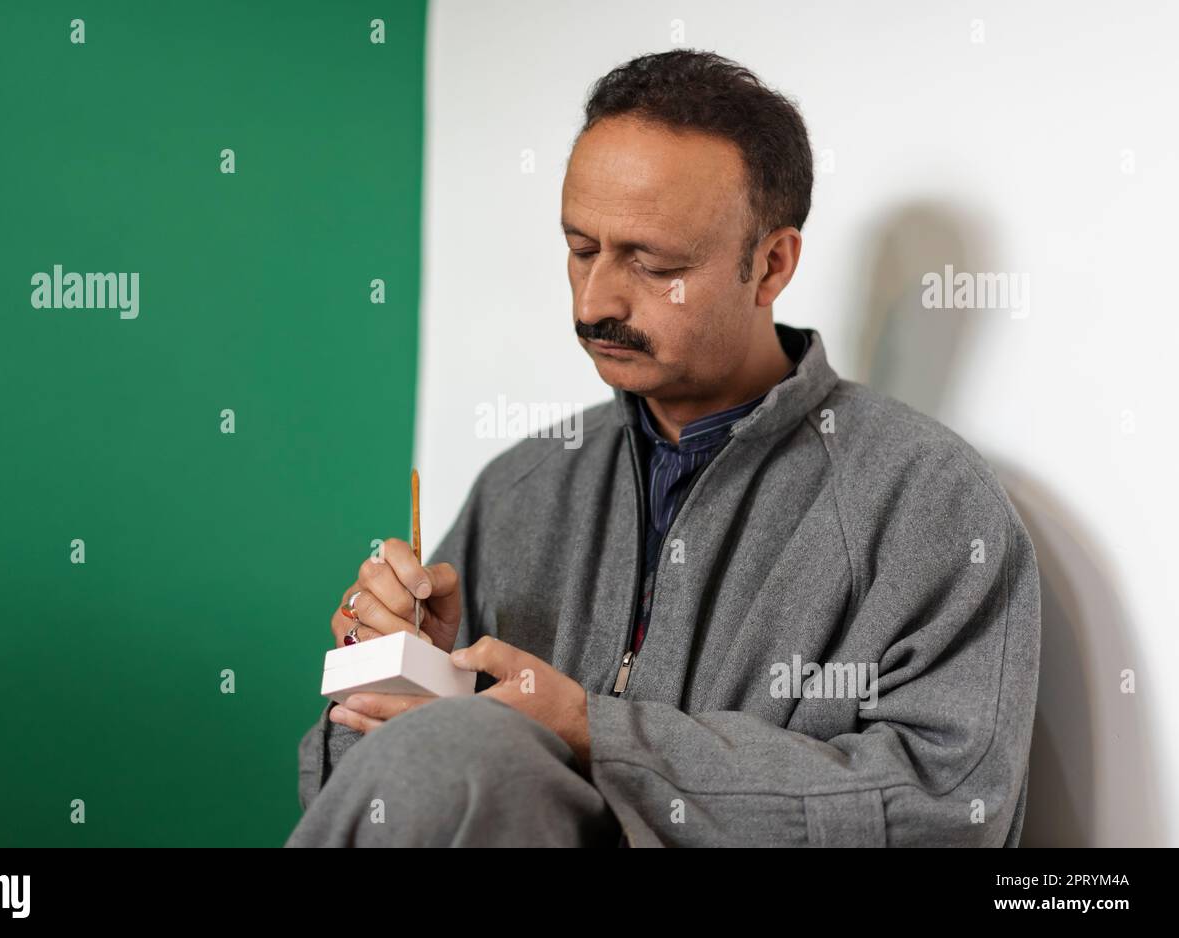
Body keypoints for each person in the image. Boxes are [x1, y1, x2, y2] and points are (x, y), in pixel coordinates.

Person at [285, 49, 1040, 848]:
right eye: (581, 248)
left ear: (771, 264)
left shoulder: (932, 501)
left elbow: (950, 807)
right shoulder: (523, 487)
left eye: (653, 264)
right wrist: (397, 675)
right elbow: (348, 798)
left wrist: (598, 734)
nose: (595, 300)